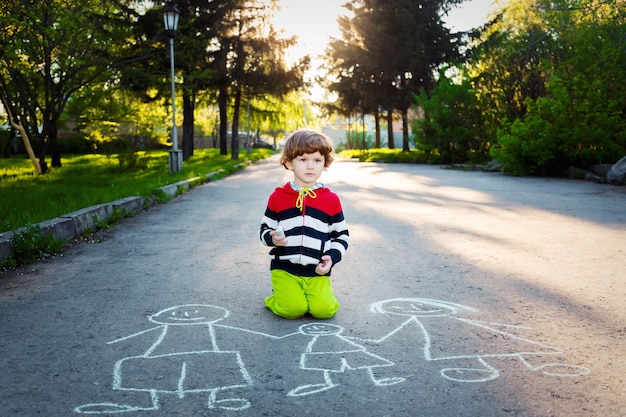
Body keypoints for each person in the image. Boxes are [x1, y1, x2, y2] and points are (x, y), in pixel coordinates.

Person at [259, 129, 349, 319]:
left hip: (316, 271)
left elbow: (341, 236)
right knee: (293, 310)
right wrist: (272, 238)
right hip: (285, 269)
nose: (310, 166)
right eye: (303, 159)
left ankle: (310, 296)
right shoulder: (278, 197)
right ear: (290, 162)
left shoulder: (331, 200)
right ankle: (277, 297)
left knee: (324, 311)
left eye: (317, 160)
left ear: (325, 163)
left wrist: (332, 257)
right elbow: (264, 229)